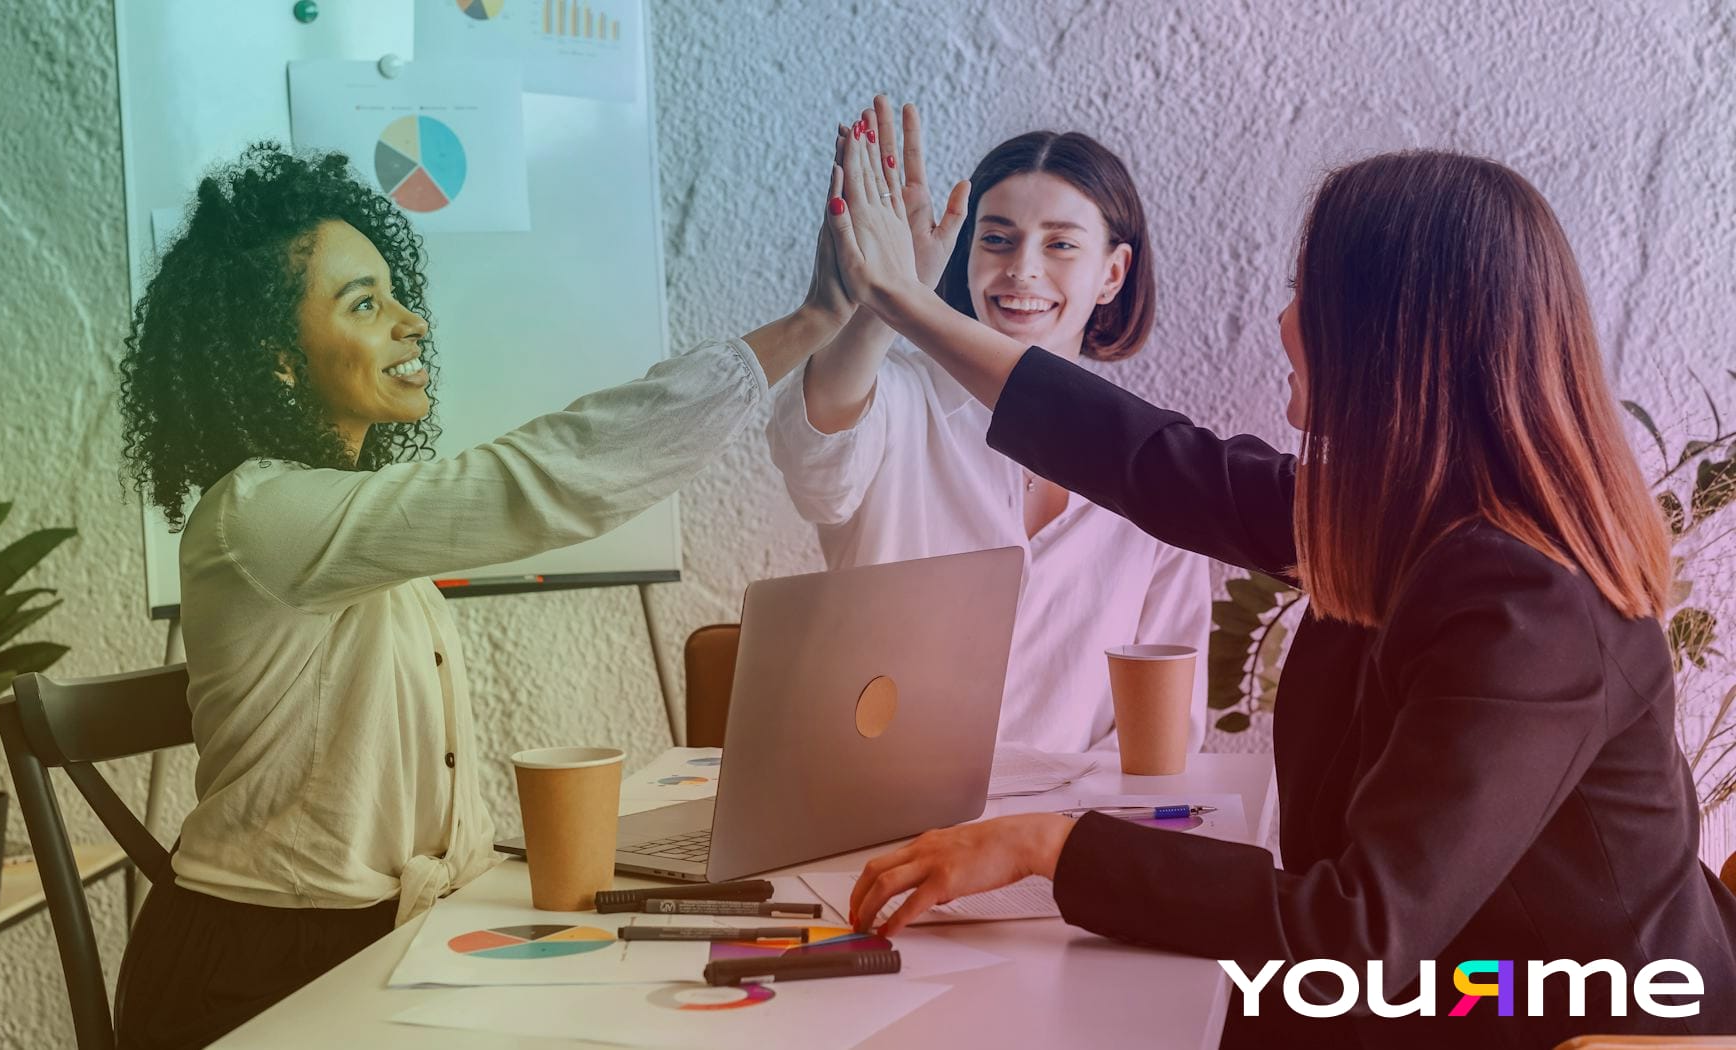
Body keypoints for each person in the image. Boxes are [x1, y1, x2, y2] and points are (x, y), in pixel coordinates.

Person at [824, 115, 1736, 1046]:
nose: (1285, 320)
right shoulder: (1412, 519)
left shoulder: (1526, 605)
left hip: (1563, 1008)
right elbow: (1155, 462)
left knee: (1138, 1011)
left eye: (1308, 292)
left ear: (1392, 337)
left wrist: (1050, 846)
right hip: (1463, 969)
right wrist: (908, 306)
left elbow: (1357, 938)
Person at [112, 143, 856, 1049]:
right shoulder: (263, 514)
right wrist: (810, 322)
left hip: (375, 940)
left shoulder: (343, 525)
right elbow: (532, 482)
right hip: (258, 973)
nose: (411, 321)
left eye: (394, 291)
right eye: (365, 303)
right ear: (277, 360)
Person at [766, 99, 1210, 754]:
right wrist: (889, 297)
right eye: (997, 238)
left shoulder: (1157, 462)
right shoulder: (897, 400)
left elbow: (1165, 733)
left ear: (1112, 273)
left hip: (1061, 839)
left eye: (1060, 244)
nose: (1022, 268)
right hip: (879, 820)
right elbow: (813, 450)